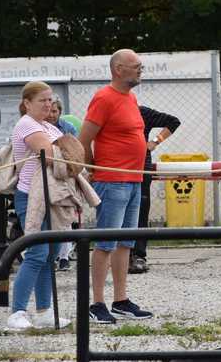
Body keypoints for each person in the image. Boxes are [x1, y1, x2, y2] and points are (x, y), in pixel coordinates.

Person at [79, 48, 153, 323]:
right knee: (105, 243)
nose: (140, 69)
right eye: (136, 66)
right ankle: (96, 302)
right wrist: (95, 169)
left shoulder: (131, 98)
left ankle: (120, 299)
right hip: (113, 181)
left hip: (133, 180)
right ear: (118, 69)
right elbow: (83, 139)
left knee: (125, 243)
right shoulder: (103, 98)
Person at [6, 81, 71, 330]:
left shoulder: (47, 126)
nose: (49, 104)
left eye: (50, 99)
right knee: (37, 253)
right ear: (27, 103)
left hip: (52, 196)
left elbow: (74, 154)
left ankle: (44, 311)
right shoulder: (26, 124)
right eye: (42, 100)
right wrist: (67, 151)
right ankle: (17, 312)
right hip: (31, 196)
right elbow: (52, 153)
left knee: (51, 254)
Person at [129, 105, 180, 274]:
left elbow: (173, 122)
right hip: (118, 169)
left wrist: (155, 141)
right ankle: (120, 255)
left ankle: (139, 255)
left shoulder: (141, 112)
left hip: (142, 168)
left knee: (141, 211)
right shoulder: (109, 110)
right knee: (120, 213)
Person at [45, 96, 78, 272]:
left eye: (55, 111)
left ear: (60, 112)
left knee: (65, 217)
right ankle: (51, 255)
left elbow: (77, 152)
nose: (51, 114)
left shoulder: (68, 128)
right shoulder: (39, 128)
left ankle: (64, 256)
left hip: (65, 175)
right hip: (46, 176)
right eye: (49, 110)